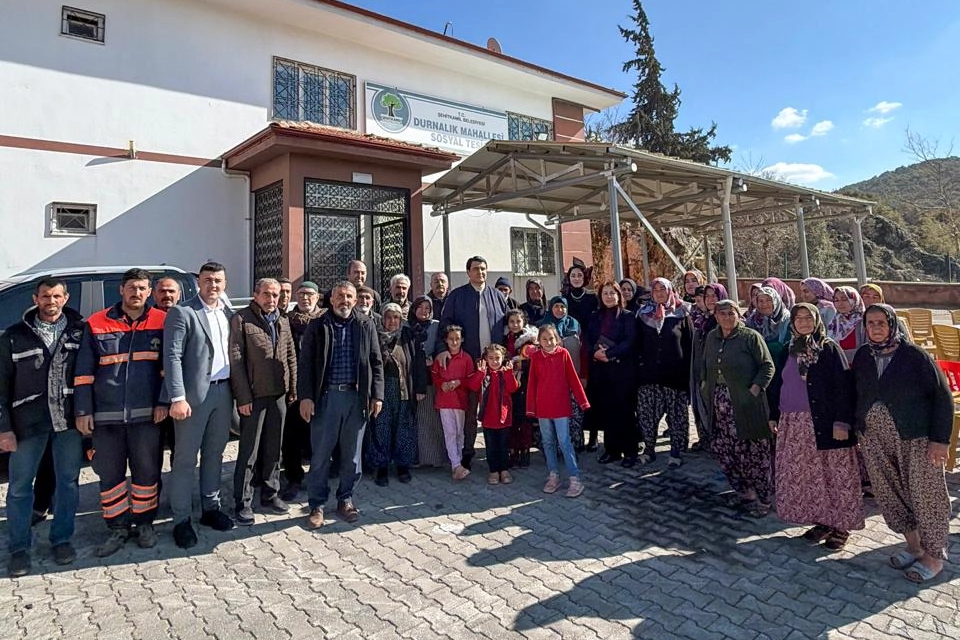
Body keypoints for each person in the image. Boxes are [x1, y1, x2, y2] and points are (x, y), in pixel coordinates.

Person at [851, 304, 953, 583]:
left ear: (892, 324)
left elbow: (942, 396)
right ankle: (914, 546)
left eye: (881, 322)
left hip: (915, 437)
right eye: (870, 323)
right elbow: (856, 392)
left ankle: (934, 556)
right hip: (874, 439)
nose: (875, 328)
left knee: (926, 493)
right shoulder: (863, 355)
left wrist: (940, 440)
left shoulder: (914, 356)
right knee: (890, 492)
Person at [74, 268, 167, 557]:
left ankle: (144, 524)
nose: (136, 293)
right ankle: (117, 527)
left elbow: (169, 368)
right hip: (105, 417)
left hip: (147, 416)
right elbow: (83, 372)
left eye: (141, 288)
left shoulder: (162, 321)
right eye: (131, 288)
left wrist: (163, 402)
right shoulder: (97, 322)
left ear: (149, 292)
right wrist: (83, 410)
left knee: (147, 472)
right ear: (121, 290)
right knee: (110, 475)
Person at [0, 278, 85, 576]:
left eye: (57, 296)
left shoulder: (79, 332)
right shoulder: (14, 336)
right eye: (46, 296)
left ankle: (61, 540)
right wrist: (4, 428)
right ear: (35, 299)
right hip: (27, 424)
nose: (51, 301)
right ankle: (19, 548)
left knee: (67, 483)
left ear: (66, 298)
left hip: (67, 422)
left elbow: (89, 377)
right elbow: (1, 387)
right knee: (20, 488)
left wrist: (86, 415)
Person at [774, 303, 863, 551]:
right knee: (811, 477)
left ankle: (841, 527)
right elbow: (778, 384)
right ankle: (823, 521)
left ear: (817, 320)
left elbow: (844, 387)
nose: (804, 322)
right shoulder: (788, 350)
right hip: (795, 424)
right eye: (798, 318)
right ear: (792, 323)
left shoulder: (828, 348)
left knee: (836, 476)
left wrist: (841, 422)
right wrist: (773, 415)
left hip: (825, 424)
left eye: (808, 317)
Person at [162, 262, 237, 548]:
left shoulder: (228, 313)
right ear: (198, 283)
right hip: (193, 399)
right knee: (184, 459)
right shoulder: (183, 312)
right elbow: (172, 356)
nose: (213, 285)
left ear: (224, 283)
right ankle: (181, 519)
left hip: (223, 392)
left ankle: (210, 508)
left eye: (218, 280)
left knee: (215, 453)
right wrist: (177, 397)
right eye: (208, 280)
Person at [298, 281, 384, 529]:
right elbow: (306, 363)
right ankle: (317, 504)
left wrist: (377, 396)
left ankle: (345, 499)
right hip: (325, 399)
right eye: (340, 296)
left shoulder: (365, 324)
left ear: (355, 300)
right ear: (331, 299)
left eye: (349, 296)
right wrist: (306, 397)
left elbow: (376, 361)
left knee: (352, 457)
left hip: (356, 399)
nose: (344, 300)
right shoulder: (318, 325)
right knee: (320, 455)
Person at [229, 278, 298, 526]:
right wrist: (243, 396)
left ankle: (270, 494)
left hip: (278, 394)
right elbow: (236, 360)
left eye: (275, 295)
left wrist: (293, 388)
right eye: (267, 294)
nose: (271, 299)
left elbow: (290, 354)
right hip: (254, 397)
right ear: (256, 295)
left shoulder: (282, 320)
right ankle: (243, 501)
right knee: (249, 451)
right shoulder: (242, 319)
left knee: (273, 448)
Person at [698, 300, 776, 518]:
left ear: (738, 314)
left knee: (754, 453)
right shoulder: (712, 337)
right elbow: (704, 364)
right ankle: (745, 492)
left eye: (730, 313)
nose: (726, 317)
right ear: (715, 316)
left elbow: (767, 366)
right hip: (719, 404)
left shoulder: (750, 337)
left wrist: (755, 388)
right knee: (726, 450)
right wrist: (704, 385)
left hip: (746, 404)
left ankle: (764, 499)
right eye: (721, 313)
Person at [437, 256, 507, 470]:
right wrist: (441, 349)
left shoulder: (497, 296)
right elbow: (445, 325)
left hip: (494, 364)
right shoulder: (457, 296)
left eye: (483, 269)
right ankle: (466, 452)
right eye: (476, 269)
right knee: (469, 411)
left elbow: (507, 328)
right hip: (467, 364)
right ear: (468, 272)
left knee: (496, 408)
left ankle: (498, 454)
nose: (480, 272)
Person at [526, 324, 590, 497]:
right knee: (547, 442)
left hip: (561, 406)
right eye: (544, 339)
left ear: (557, 339)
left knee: (564, 441)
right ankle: (553, 475)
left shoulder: (563, 354)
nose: (548, 342)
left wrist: (583, 401)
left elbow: (573, 379)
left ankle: (575, 479)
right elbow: (532, 383)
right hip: (543, 407)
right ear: (539, 341)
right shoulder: (536, 357)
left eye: (551, 338)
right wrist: (531, 408)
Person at [634, 278, 692, 468]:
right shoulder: (643, 314)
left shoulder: (683, 312)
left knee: (676, 415)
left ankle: (676, 451)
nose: (659, 293)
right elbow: (637, 344)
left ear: (670, 291)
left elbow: (689, 345)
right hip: (649, 376)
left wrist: (688, 376)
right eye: (656, 290)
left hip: (675, 376)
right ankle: (649, 449)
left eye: (663, 289)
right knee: (647, 415)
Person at [369, 303, 424, 486]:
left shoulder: (408, 336)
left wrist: (420, 389)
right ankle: (381, 467)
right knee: (381, 428)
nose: (392, 321)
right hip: (382, 391)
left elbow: (417, 361)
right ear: (382, 318)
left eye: (396, 317)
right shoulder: (375, 336)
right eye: (388, 317)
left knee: (404, 428)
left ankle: (402, 466)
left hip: (404, 389)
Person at [280, 281, 324, 501]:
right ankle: (293, 477)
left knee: (318, 434)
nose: (305, 298)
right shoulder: (287, 320)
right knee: (292, 436)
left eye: (309, 294)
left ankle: (318, 475)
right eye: (302, 294)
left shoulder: (325, 319)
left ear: (317, 297)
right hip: (294, 386)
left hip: (320, 385)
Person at [584, 282, 636, 465]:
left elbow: (630, 341)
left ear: (618, 295)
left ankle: (629, 451)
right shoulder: (595, 316)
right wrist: (595, 353)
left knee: (625, 412)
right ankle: (611, 450)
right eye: (605, 293)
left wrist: (609, 354)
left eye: (612, 293)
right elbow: (588, 340)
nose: (608, 296)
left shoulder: (628, 316)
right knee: (607, 411)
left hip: (621, 371)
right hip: (601, 371)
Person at [467, 344, 520, 485]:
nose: (494, 361)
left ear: (503, 358)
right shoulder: (483, 373)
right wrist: (480, 374)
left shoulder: (506, 372)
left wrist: (509, 374)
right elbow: (472, 386)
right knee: (491, 446)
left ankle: (504, 469)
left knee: (503, 445)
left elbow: (513, 388)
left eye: (497, 358)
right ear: (485, 359)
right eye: (491, 358)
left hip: (504, 418)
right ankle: (493, 470)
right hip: (488, 418)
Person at [431, 325, 475, 480]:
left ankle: (459, 462)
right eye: (451, 339)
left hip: (460, 401)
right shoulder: (441, 357)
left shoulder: (467, 358)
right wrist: (441, 383)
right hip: (444, 401)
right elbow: (434, 375)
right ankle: (455, 465)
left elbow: (470, 379)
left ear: (462, 339)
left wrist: (459, 382)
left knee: (459, 432)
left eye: (457, 339)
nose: (454, 342)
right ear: (446, 340)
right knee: (449, 433)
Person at [689, 282, 728, 453]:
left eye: (714, 296)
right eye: (708, 296)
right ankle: (707, 440)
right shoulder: (703, 320)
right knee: (703, 406)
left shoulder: (726, 319)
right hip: (701, 370)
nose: (711, 299)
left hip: (720, 376)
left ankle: (721, 444)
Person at [409, 295, 446, 468]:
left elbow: (441, 344)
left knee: (431, 420)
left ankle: (434, 458)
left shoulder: (436, 326)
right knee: (417, 421)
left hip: (430, 378)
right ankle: (418, 457)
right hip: (411, 377)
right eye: (420, 307)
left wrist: (434, 357)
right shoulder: (407, 325)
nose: (424, 311)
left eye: (427, 308)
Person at [151, 276, 181, 473]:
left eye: (171, 291)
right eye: (162, 291)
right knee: (151, 452)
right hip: (151, 398)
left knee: (181, 450)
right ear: (153, 294)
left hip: (180, 397)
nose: (167, 295)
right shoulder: (146, 319)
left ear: (179, 294)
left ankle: (179, 488)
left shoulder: (186, 317)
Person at [504, 309, 538, 468]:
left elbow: (534, 361)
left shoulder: (530, 339)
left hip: (525, 383)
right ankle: (513, 450)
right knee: (511, 418)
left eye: (518, 321)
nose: (515, 324)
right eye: (512, 321)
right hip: (509, 382)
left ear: (524, 322)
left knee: (525, 419)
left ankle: (525, 450)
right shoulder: (505, 338)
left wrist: (522, 365)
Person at [827, 286, 866, 363]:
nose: (840, 303)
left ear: (854, 299)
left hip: (859, 365)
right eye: (836, 300)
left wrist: (841, 356)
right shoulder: (834, 321)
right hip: (839, 366)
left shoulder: (864, 321)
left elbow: (867, 349)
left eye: (844, 299)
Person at [561, 260, 598, 334]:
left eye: (579, 275)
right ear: (569, 278)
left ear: (584, 277)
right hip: (571, 336)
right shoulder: (565, 298)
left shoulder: (593, 297)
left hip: (591, 335)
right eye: (573, 276)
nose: (576, 279)